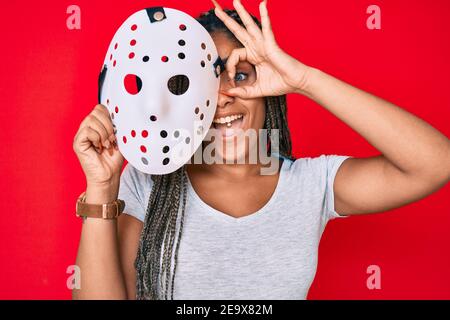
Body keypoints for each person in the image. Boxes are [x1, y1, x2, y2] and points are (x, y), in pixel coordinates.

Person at [72, 0, 450, 300]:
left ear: (267, 89)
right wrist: (102, 187)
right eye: (204, 80)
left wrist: (303, 80)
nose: (222, 97)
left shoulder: (309, 186)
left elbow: (435, 163)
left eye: (240, 75)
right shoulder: (147, 182)